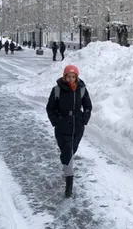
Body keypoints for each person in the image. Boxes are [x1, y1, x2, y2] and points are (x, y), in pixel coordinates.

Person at [46, 65, 92, 198]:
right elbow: (50, 108)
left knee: (71, 151)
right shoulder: (57, 90)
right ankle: (69, 186)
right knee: (68, 153)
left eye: (73, 77)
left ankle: (66, 166)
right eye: (68, 76)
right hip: (62, 127)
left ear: (76, 77)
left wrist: (84, 119)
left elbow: (88, 106)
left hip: (77, 127)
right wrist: (56, 122)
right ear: (64, 76)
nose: (71, 79)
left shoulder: (82, 89)